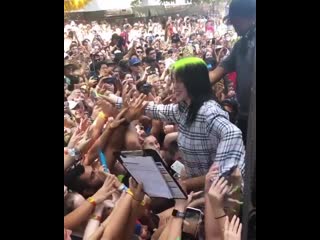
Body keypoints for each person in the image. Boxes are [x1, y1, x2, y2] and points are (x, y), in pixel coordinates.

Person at [143, 57, 245, 192]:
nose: (174, 87)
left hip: (213, 200)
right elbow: (155, 110)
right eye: (174, 81)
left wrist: (186, 184)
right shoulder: (185, 109)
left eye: (179, 81)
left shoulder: (209, 112)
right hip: (195, 192)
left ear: (194, 82)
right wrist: (120, 102)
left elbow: (233, 133)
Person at [209, 0, 256, 143]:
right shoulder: (240, 46)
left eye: (235, 21)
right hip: (245, 116)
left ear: (249, 17)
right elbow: (217, 72)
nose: (233, 26)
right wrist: (191, 82)